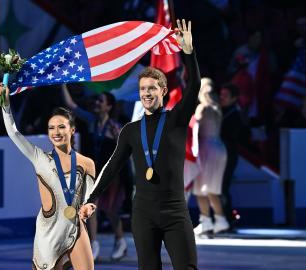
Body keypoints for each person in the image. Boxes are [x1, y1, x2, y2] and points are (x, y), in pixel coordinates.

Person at [80, 19, 199, 270]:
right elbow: (112, 166)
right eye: (143, 88)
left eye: (152, 88)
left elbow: (195, 87)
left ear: (163, 90)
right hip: (143, 212)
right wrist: (92, 198)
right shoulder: (131, 130)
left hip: (175, 211)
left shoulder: (176, 119)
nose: (146, 93)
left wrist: (189, 54)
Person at [0, 85, 94, 270]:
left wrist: (89, 208)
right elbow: (13, 132)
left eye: (61, 127)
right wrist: (6, 104)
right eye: (51, 128)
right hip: (49, 231)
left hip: (76, 227)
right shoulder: (39, 158)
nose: (56, 132)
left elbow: (89, 199)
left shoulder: (87, 163)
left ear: (72, 130)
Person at [61, 85, 127, 261]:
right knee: (91, 208)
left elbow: (127, 150)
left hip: (112, 176)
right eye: (96, 100)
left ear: (109, 106)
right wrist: (63, 82)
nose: (97, 103)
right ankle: (93, 243)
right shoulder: (91, 121)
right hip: (94, 174)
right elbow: (71, 105)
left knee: (112, 211)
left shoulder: (115, 127)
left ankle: (120, 241)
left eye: (101, 101)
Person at [192, 78, 229, 235]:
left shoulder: (202, 107)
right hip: (219, 147)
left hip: (207, 148)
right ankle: (214, 220)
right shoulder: (217, 107)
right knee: (210, 187)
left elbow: (195, 123)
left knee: (202, 188)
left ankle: (213, 220)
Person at [219, 83, 243, 227]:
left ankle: (227, 218)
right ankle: (223, 217)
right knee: (219, 187)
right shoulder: (222, 111)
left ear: (234, 98)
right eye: (221, 94)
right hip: (221, 155)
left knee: (222, 187)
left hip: (228, 156)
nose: (222, 98)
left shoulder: (234, 115)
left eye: (225, 96)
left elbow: (232, 136)